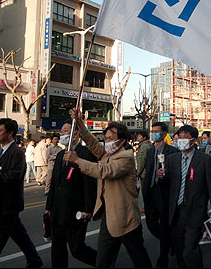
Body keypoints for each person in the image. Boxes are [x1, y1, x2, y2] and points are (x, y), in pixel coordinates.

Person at [64, 108, 151, 268]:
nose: (108, 142)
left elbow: (104, 171)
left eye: (111, 139)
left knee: (139, 259)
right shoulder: (107, 154)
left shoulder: (126, 157)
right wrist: (80, 122)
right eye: (106, 138)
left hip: (126, 219)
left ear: (122, 141)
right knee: (103, 262)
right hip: (108, 217)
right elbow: (92, 143)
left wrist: (78, 161)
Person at [0, 118, 43, 268]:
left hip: (9, 202)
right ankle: (34, 260)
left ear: (10, 133)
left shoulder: (17, 152)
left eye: (0, 131)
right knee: (19, 235)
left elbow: (14, 175)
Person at [161, 124, 211, 268]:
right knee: (179, 247)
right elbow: (167, 183)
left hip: (195, 210)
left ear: (194, 140)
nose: (181, 140)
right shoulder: (172, 159)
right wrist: (161, 177)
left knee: (191, 248)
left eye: (185, 137)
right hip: (176, 210)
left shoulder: (204, 159)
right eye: (179, 137)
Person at [45, 121, 98, 268]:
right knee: (57, 248)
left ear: (75, 134)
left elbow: (89, 183)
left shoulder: (85, 153)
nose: (61, 134)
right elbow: (54, 184)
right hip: (57, 210)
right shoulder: (61, 154)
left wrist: (88, 208)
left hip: (76, 209)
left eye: (65, 131)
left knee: (77, 249)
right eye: (61, 132)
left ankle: (103, 262)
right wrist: (49, 207)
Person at [141, 122, 179, 268]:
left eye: (157, 131)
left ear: (164, 134)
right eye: (152, 131)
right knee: (151, 224)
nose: (154, 133)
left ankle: (163, 258)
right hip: (150, 192)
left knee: (164, 226)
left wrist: (164, 175)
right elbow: (148, 171)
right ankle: (171, 242)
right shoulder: (151, 151)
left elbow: (175, 174)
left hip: (164, 193)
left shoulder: (172, 151)